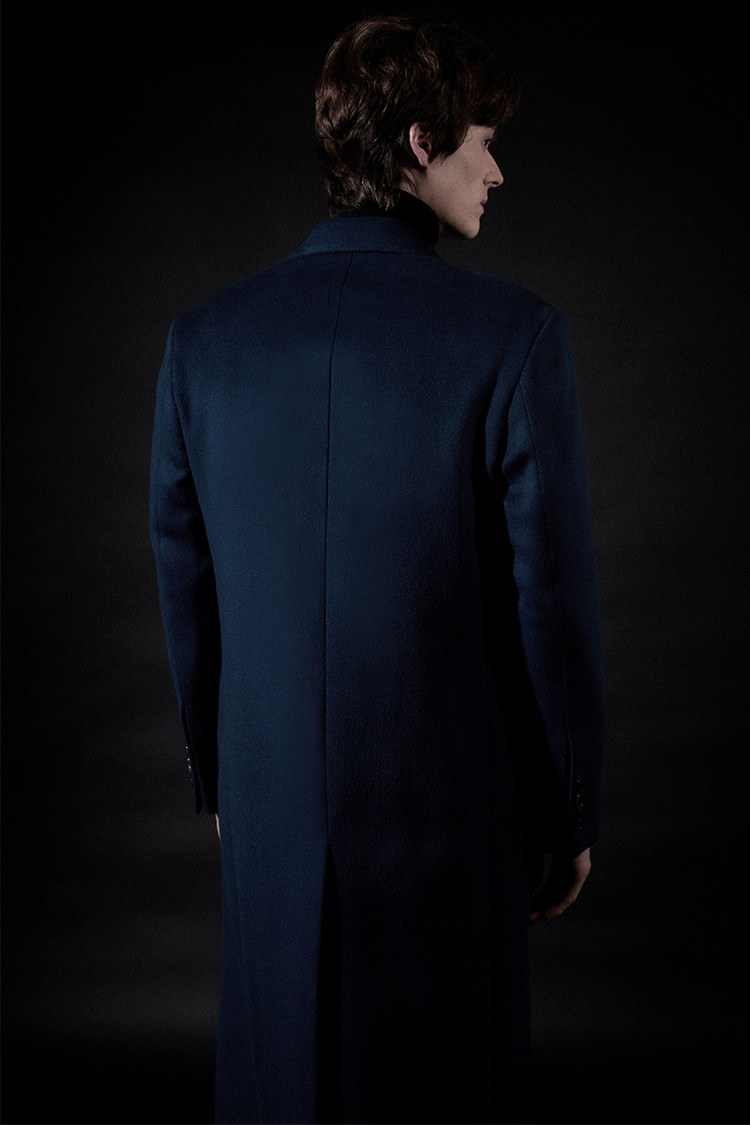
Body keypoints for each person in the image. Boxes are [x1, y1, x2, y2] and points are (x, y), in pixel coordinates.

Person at [149, 15, 605, 1125]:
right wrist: (567, 813)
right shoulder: (514, 338)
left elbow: (187, 585)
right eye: (481, 142)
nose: (496, 171)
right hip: (455, 814)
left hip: (272, 805)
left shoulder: (203, 342)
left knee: (282, 1082)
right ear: (418, 144)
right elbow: (549, 607)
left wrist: (226, 780)